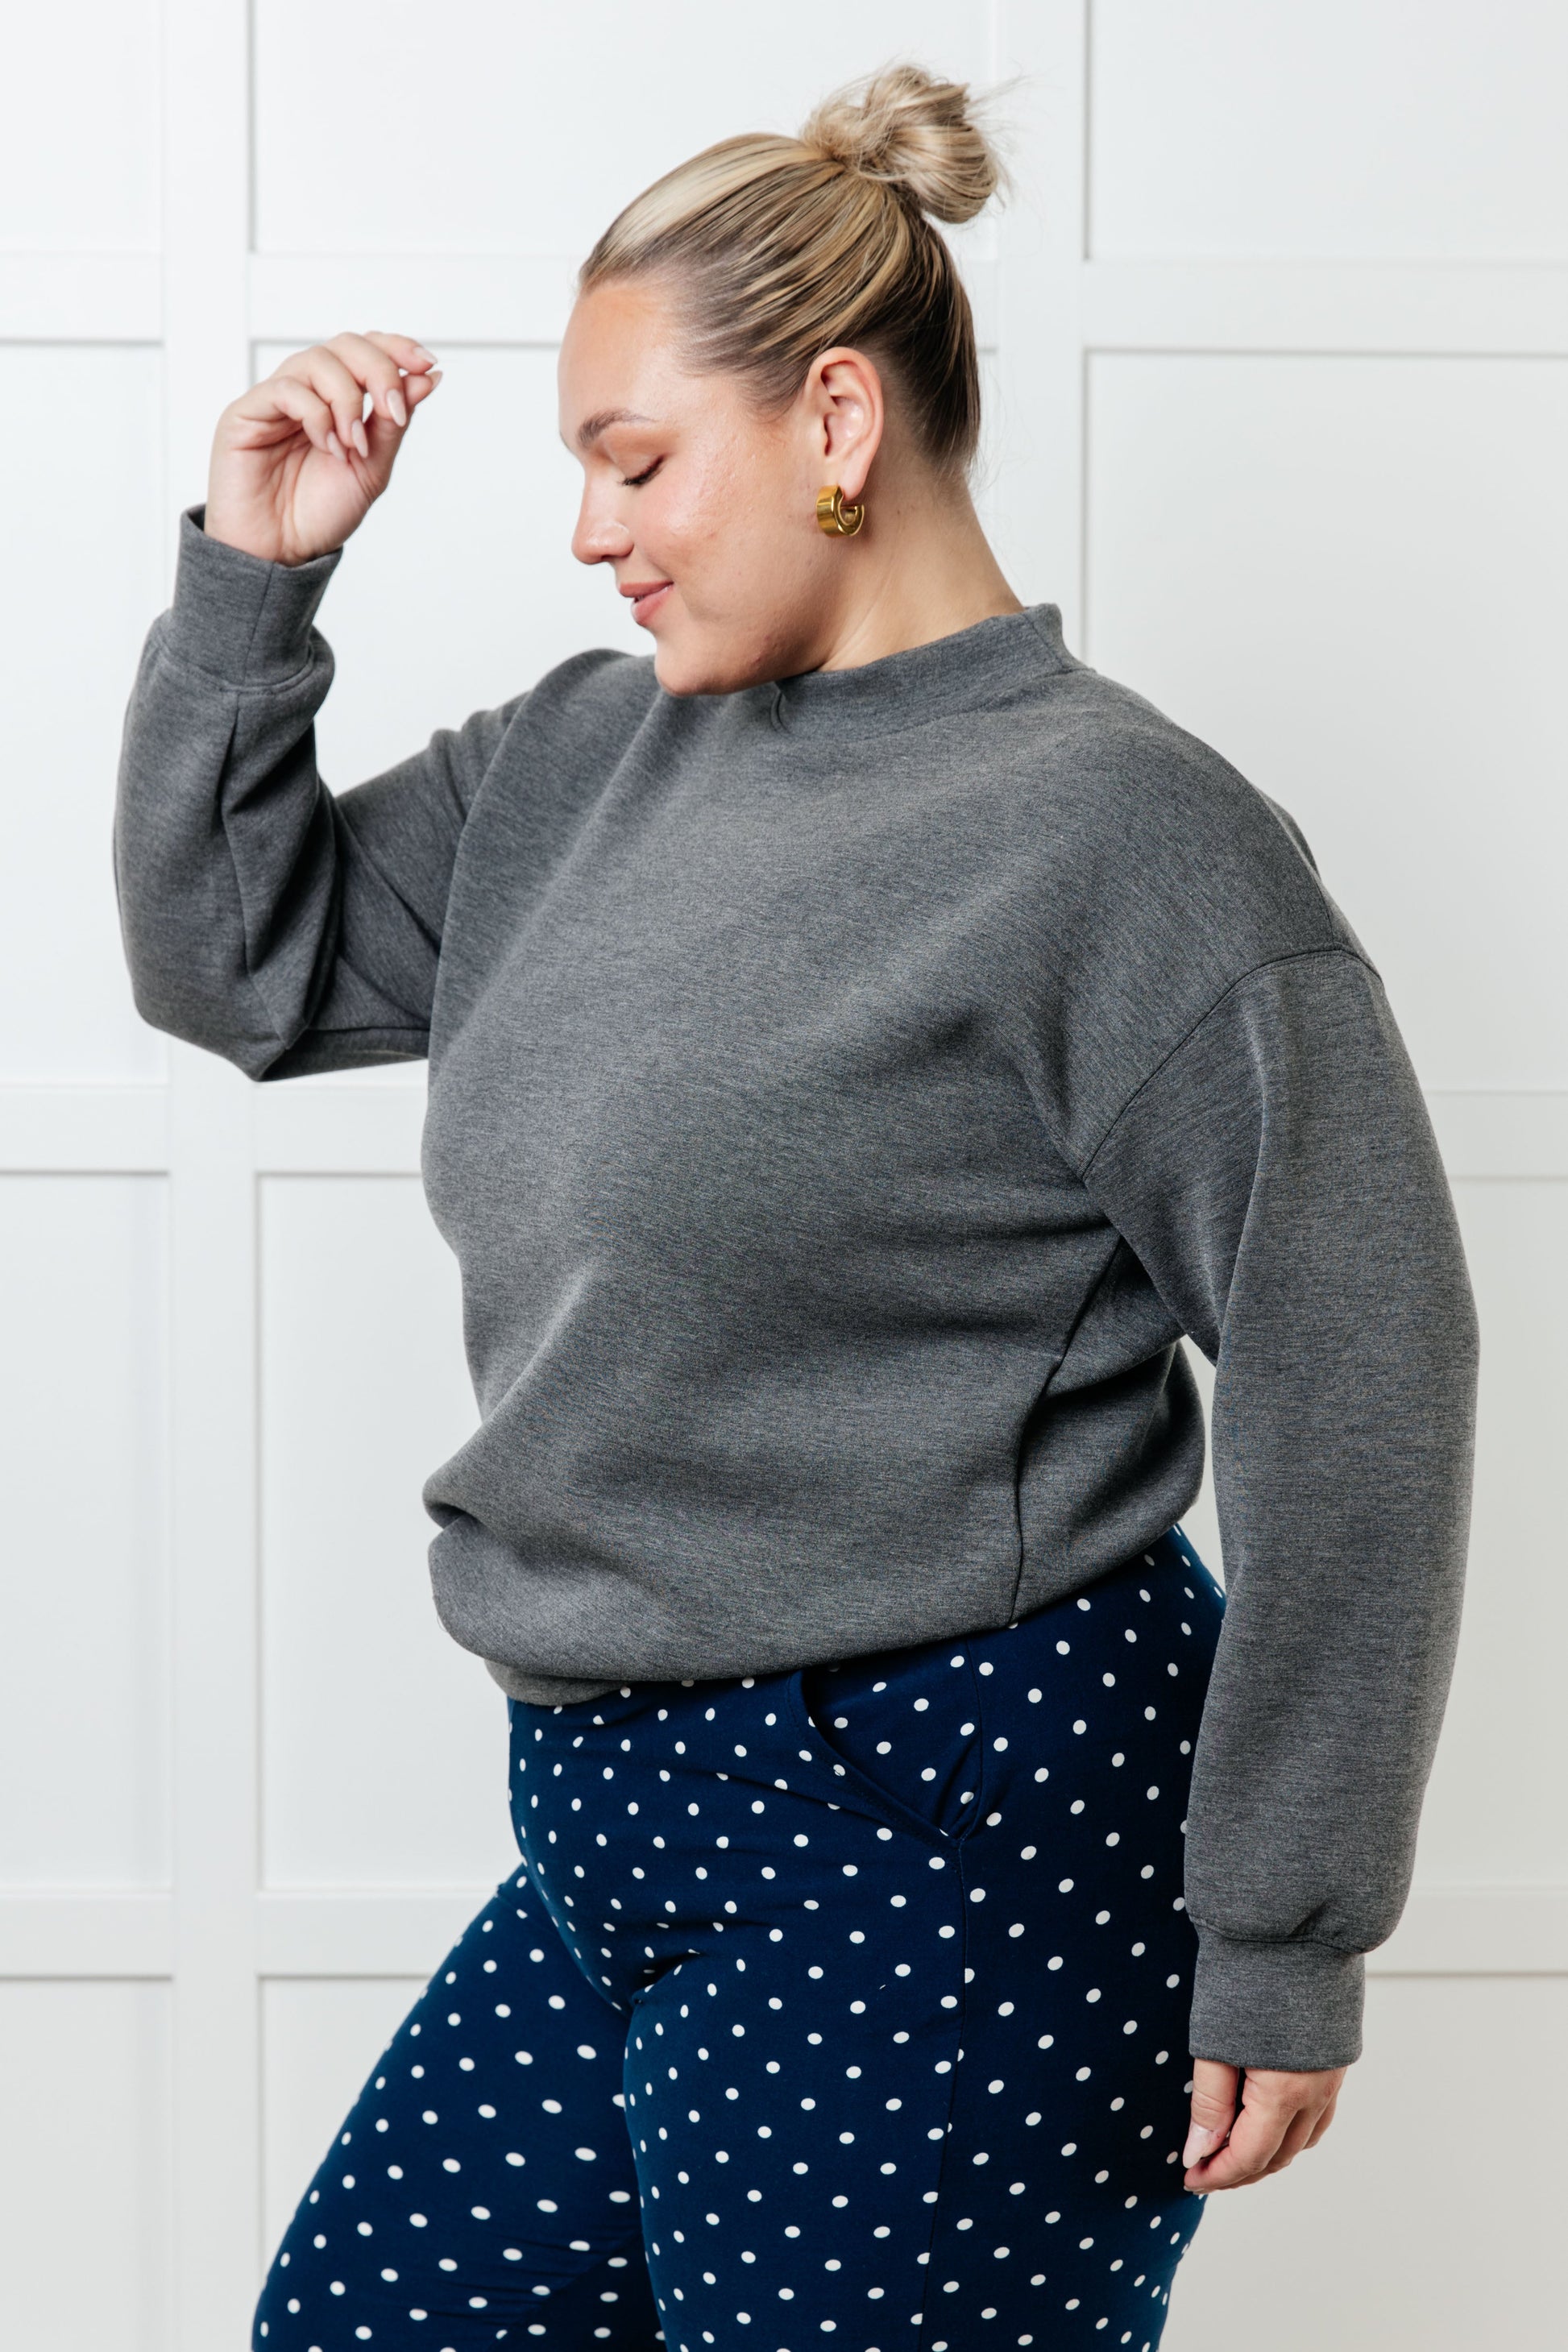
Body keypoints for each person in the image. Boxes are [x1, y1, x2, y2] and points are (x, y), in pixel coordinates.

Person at [112, 61, 1478, 2352]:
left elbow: (1363, 1358)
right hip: (608, 1806)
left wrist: (1285, 1922)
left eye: (632, 461)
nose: (588, 531)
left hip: (957, 1827)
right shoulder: (576, 762)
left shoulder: (1119, 840)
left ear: (836, 416)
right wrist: (260, 577)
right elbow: (231, 964)